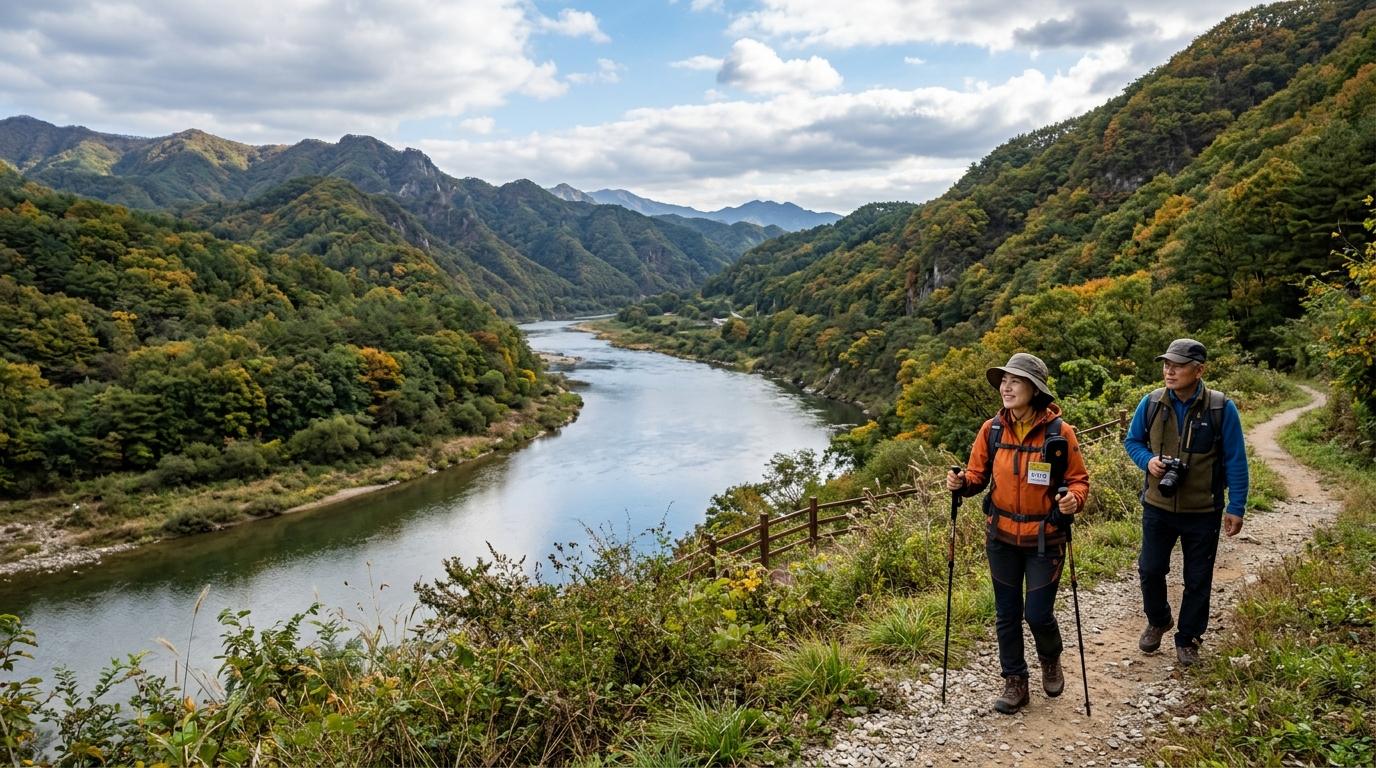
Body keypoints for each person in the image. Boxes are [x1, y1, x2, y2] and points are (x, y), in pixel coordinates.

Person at [946, 353, 1089, 714]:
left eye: (1016, 381)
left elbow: (1078, 480)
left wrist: (1073, 499)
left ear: (1034, 389)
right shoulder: (991, 429)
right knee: (1006, 612)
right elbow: (978, 476)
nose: (1006, 387)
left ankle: (1050, 658)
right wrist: (961, 482)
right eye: (1004, 381)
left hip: (1046, 538)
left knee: (1038, 614)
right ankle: (1015, 681)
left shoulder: (1060, 433)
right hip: (1002, 537)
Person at [1123, 338, 1248, 667]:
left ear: (1199, 370)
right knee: (1150, 569)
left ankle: (1188, 637)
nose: (1169, 370)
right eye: (1166, 363)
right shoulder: (1150, 403)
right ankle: (1159, 618)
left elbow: (1236, 460)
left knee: (1198, 578)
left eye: (1177, 365)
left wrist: (1236, 506)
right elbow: (1132, 440)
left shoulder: (1221, 408)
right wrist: (1147, 461)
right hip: (1157, 505)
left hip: (1203, 510)